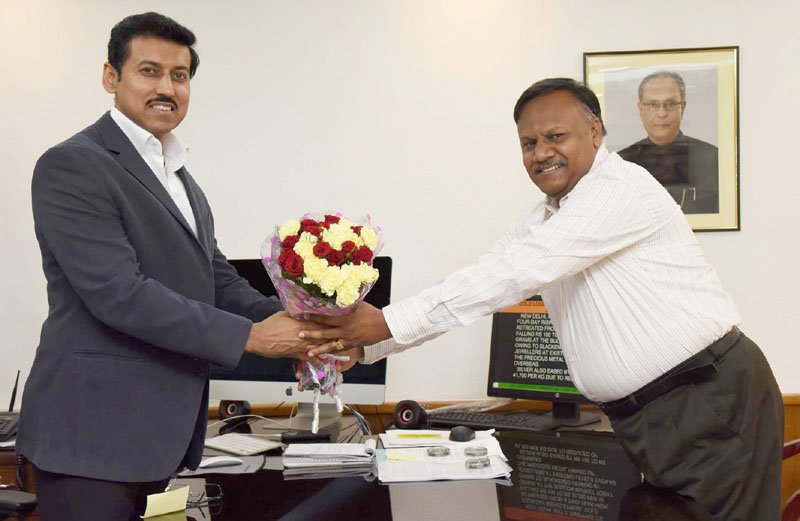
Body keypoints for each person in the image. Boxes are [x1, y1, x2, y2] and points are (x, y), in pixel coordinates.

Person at [301, 78, 784, 520]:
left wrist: (383, 323)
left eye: (556, 137)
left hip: (707, 398)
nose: (541, 154)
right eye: (529, 144)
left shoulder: (621, 189)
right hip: (652, 418)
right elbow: (481, 278)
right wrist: (364, 349)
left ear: (595, 131)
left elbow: (514, 273)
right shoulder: (545, 218)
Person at [19, 12, 327, 520]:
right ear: (110, 77)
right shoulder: (73, 163)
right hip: (90, 439)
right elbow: (121, 293)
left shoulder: (179, 176)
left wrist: (303, 328)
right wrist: (253, 339)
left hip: (157, 437)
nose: (167, 87)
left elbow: (218, 279)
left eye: (179, 76)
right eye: (149, 71)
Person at [618, 71, 719, 214]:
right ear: (641, 109)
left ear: (682, 108)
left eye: (670, 104)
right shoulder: (621, 163)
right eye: (653, 105)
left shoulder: (712, 158)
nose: (662, 113)